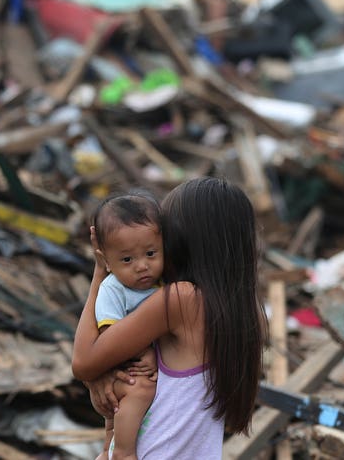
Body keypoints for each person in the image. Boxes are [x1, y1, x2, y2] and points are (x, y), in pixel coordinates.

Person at [72, 177, 265, 459]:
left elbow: (83, 361)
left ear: (186, 239)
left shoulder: (181, 299)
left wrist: (102, 271)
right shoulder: (238, 312)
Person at [90, 191, 164, 459]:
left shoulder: (164, 285)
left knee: (116, 422)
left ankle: (107, 451)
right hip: (121, 371)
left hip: (134, 373)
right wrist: (146, 354)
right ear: (106, 261)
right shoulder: (113, 290)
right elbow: (109, 334)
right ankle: (123, 453)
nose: (142, 266)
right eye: (127, 260)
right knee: (141, 391)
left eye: (151, 253)